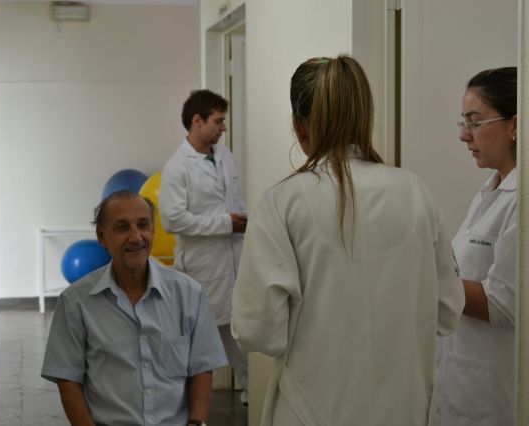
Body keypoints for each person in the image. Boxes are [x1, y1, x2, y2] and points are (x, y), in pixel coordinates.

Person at [230, 55, 465, 426]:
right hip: (402, 410)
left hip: (310, 411)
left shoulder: (282, 202)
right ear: (365, 118)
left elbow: (257, 330)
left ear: (299, 126)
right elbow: (448, 311)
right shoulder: (416, 192)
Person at [41, 190, 227, 426]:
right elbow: (68, 379)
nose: (136, 237)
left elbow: (202, 368)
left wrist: (196, 423)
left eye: (143, 225)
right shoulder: (75, 302)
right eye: (122, 228)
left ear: (153, 230)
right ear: (101, 236)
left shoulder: (189, 294)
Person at [438, 67, 517, 425]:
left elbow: (504, 304)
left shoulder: (520, 199)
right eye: (463, 122)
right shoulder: (489, 191)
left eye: (475, 122)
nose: (463, 135)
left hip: (494, 397)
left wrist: (429, 281)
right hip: (462, 384)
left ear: (514, 125)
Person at [159, 89, 249, 404]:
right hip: (202, 265)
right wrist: (225, 224)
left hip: (233, 258)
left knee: (238, 331)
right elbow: (172, 220)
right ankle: (180, 402)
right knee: (196, 336)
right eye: (218, 121)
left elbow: (233, 201)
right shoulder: (177, 167)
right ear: (197, 121)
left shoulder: (224, 156)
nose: (223, 127)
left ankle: (251, 391)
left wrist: (242, 223)